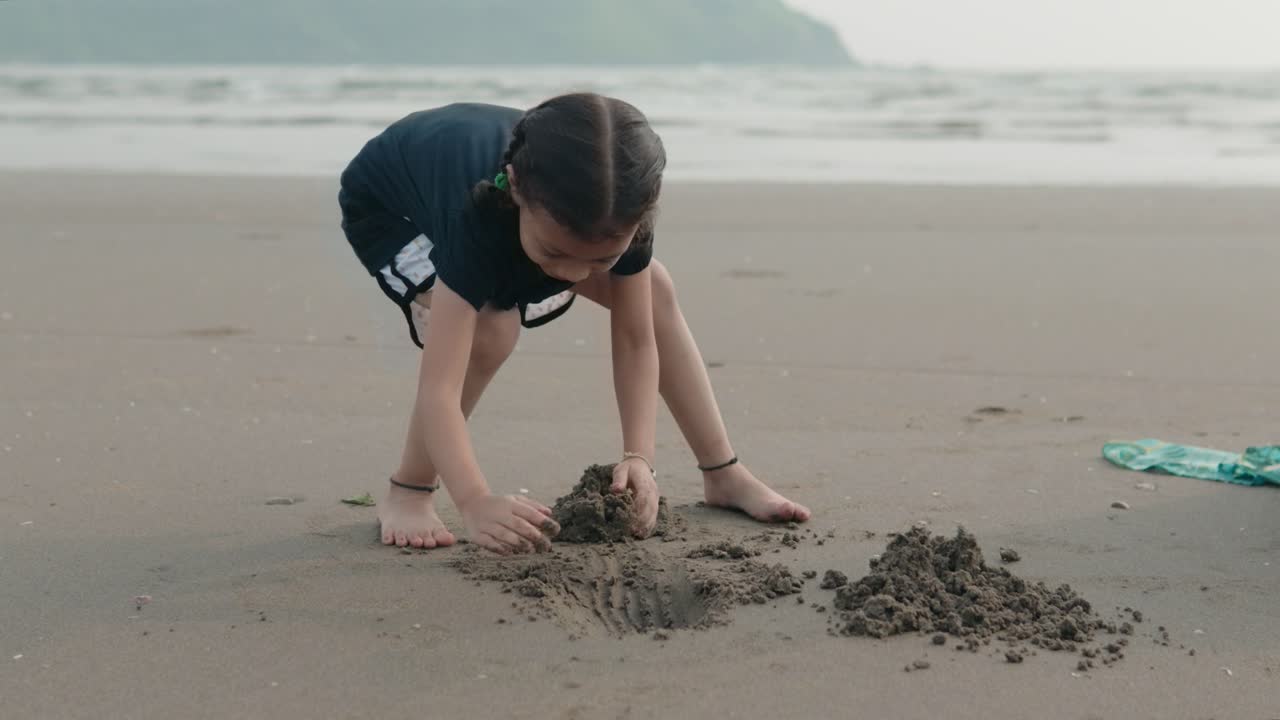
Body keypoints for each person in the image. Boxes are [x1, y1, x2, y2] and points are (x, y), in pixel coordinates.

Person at [338, 92, 810, 555]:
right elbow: (438, 390)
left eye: (601, 259)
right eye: (556, 254)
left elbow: (636, 341)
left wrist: (639, 456)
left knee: (653, 289)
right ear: (516, 187)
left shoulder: (619, 207)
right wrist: (474, 501)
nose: (572, 275)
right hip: (394, 210)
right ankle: (410, 489)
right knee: (491, 329)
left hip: (525, 210)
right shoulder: (474, 221)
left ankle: (723, 473)